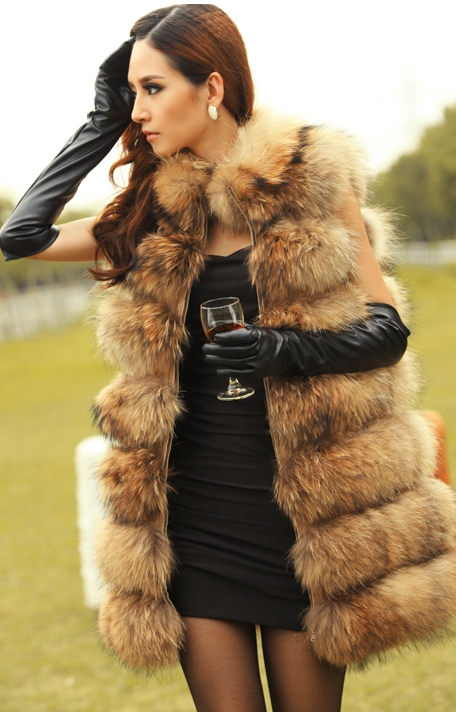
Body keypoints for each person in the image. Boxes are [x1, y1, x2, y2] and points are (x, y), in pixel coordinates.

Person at [2, 5, 456, 712]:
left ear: (210, 87)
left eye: (152, 89)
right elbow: (22, 235)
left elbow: (386, 330)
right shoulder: (151, 208)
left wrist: (285, 348)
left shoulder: (309, 180)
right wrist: (98, 121)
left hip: (303, 516)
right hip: (194, 516)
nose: (139, 111)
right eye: (130, 94)